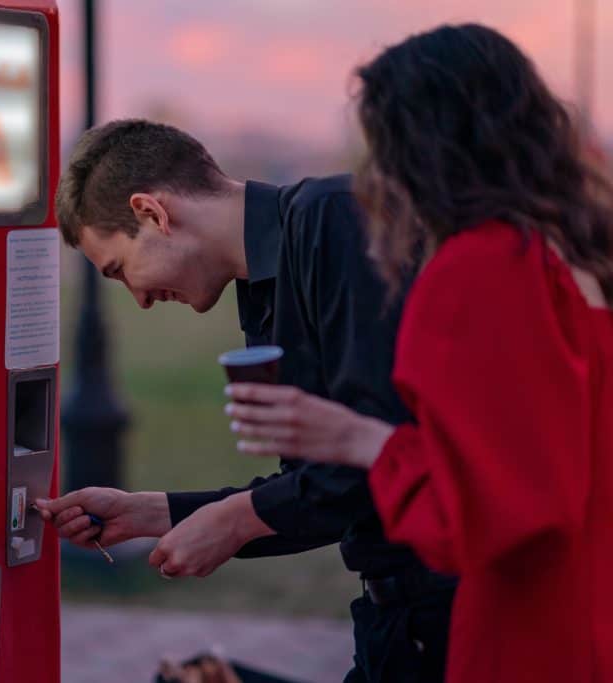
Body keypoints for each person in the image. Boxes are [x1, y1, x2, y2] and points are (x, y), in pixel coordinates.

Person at [217, 24, 613, 682]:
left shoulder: (476, 272)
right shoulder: (575, 259)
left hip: (527, 635)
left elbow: (490, 516)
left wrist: (362, 439)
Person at [36, 119, 454, 681]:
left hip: (462, 612)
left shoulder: (336, 219)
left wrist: (238, 519)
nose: (137, 299)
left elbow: (380, 454)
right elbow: (321, 493)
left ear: (152, 213)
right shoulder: (264, 288)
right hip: (393, 624)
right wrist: (151, 513)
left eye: (120, 270)